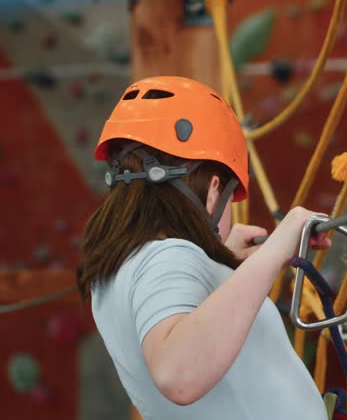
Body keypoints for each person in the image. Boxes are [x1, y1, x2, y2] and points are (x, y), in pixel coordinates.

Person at [76, 76, 332, 419]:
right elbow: (178, 374)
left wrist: (220, 269)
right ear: (214, 191)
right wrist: (276, 249)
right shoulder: (167, 257)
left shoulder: (122, 268)